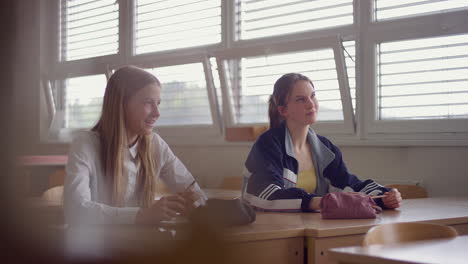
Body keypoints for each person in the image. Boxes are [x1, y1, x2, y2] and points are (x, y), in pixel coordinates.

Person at [64, 66, 206, 225]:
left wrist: (195, 205)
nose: (157, 113)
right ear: (121, 104)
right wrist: (141, 215)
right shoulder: (85, 144)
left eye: (158, 104)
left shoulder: (155, 144)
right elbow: (75, 211)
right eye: (148, 103)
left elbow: (193, 191)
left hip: (141, 244)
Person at [241, 73, 402, 212]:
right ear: (283, 110)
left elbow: (349, 184)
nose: (311, 104)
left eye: (312, 96)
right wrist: (320, 201)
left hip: (308, 226)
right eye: (300, 99)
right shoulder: (268, 144)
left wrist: (384, 196)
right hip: (266, 228)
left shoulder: (325, 149)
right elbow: (266, 195)